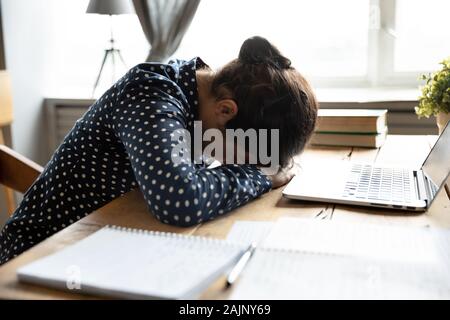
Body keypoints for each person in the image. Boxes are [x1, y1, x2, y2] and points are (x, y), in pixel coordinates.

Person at [0, 36, 318, 265]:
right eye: (253, 156)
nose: (253, 164)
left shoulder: (201, 100)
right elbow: (180, 200)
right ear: (226, 110)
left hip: (100, 247)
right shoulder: (150, 94)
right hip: (34, 258)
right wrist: (258, 176)